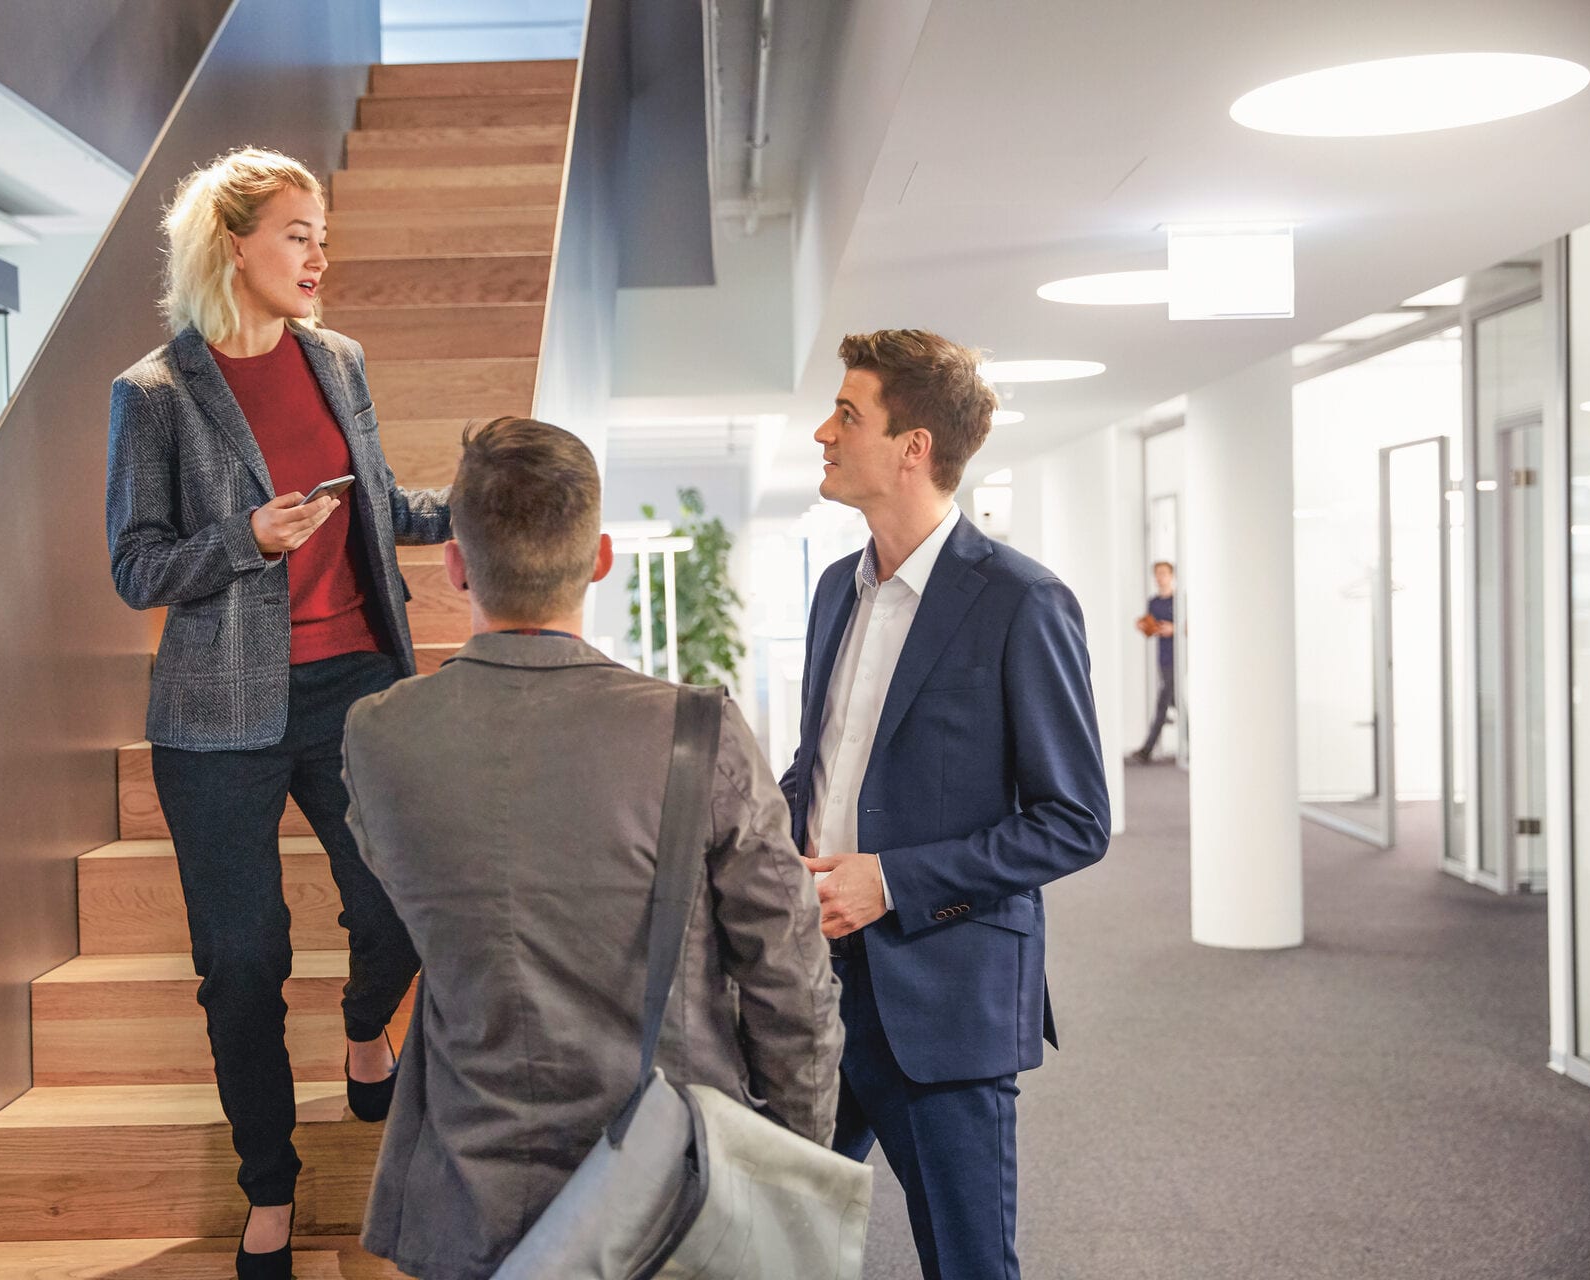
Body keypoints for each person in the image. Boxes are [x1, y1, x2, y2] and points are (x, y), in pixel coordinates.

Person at [341, 417, 843, 1280]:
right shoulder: (697, 731)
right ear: (601, 557)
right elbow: (788, 978)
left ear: (455, 563)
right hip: (673, 1197)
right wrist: (790, 1173)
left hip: (468, 1193)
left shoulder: (380, 736)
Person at [104, 146, 449, 1277]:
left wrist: (478, 509)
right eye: (298, 232)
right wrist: (244, 544)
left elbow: (377, 500)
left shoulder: (338, 359)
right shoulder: (153, 392)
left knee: (401, 897)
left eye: (322, 235)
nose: (318, 253)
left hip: (356, 676)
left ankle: (363, 1029)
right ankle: (269, 1188)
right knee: (242, 959)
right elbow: (137, 566)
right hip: (216, 714)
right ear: (233, 244)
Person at [780, 330, 1111, 1279]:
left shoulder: (1020, 600)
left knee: (967, 1266)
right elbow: (826, 768)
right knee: (767, 1241)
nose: (823, 432)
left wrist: (892, 881)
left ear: (913, 446)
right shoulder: (835, 595)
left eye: (848, 414)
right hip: (814, 988)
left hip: (945, 995)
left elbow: (1074, 818)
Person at [1129, 560, 1177, 764]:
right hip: (1163, 658)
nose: (1160, 577)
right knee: (1173, 702)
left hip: (1178, 658)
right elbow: (1150, 628)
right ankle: (1193, 741)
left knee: (1163, 703)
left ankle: (1147, 750)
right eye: (1157, 573)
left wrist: (1174, 629)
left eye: (1163, 573)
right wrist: (1144, 626)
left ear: (1171, 575)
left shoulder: (1179, 601)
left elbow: (1191, 625)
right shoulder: (1154, 603)